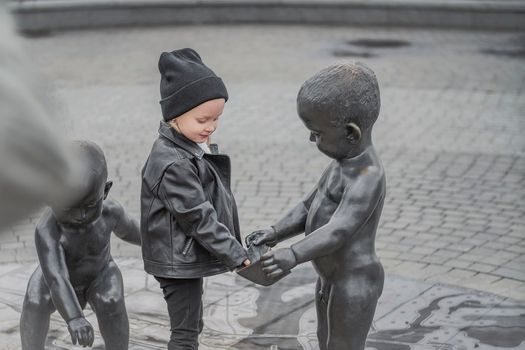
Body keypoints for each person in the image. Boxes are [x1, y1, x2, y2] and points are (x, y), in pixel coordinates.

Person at [246, 63, 386, 350]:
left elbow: (338, 231)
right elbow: (307, 206)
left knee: (342, 346)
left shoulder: (367, 177)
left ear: (351, 133)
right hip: (330, 278)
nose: (311, 138)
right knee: (326, 341)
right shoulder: (339, 166)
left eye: (317, 133)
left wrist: (293, 255)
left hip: (355, 282)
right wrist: (275, 232)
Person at [140, 48, 250, 350]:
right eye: (203, 119)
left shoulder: (186, 147)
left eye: (217, 118)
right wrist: (235, 254)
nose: (211, 126)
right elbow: (198, 216)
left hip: (181, 255)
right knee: (185, 334)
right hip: (175, 260)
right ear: (176, 114)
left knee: (191, 324)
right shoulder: (173, 162)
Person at [20, 140, 141, 350]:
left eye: (90, 205)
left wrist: (164, 246)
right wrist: (74, 317)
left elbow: (137, 233)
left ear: (106, 190)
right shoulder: (47, 230)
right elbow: (57, 278)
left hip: (99, 273)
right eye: (68, 208)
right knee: (34, 301)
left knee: (111, 300)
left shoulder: (111, 213)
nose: (80, 216)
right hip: (55, 278)